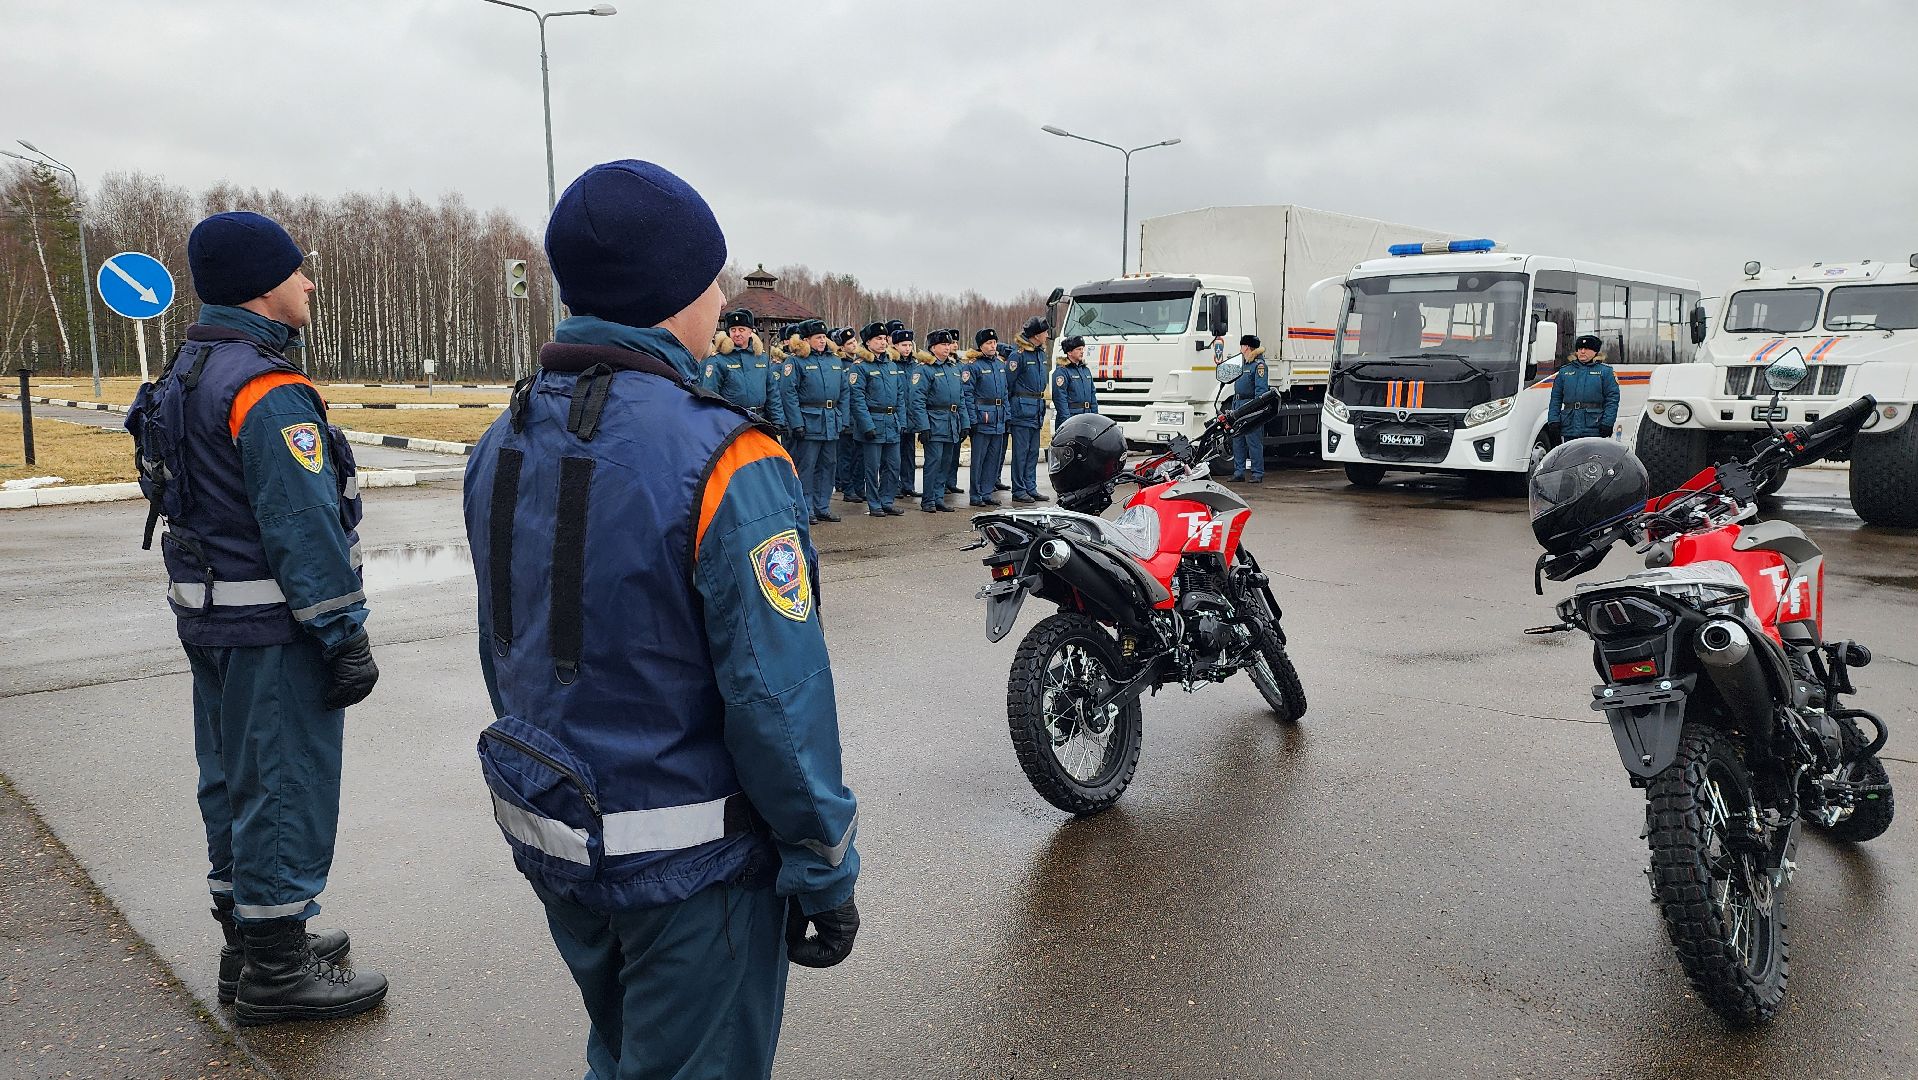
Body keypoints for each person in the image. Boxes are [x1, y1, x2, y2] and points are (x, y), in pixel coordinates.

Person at [462, 160, 860, 1080]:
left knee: (627, 1052)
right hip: (693, 868)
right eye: (711, 280)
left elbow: (510, 647)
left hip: (559, 833)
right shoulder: (724, 456)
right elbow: (779, 700)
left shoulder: (504, 437)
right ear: (673, 294)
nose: (723, 300)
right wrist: (824, 864)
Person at [123, 211, 385, 1026]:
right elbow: (303, 528)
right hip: (275, 629)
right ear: (265, 286)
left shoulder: (191, 368)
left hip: (210, 621)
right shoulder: (266, 392)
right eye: (299, 270)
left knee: (232, 780)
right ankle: (278, 969)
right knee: (281, 784)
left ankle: (254, 940)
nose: (309, 282)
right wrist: (344, 633)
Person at [781, 318, 853, 522]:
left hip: (831, 421)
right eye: (818, 337)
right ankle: (806, 508)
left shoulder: (834, 360)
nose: (822, 341)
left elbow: (844, 391)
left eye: (824, 337)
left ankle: (823, 506)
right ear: (806, 339)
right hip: (809, 421)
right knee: (807, 466)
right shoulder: (796, 361)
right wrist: (796, 423)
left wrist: (843, 418)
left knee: (828, 464)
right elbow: (789, 394)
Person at [850, 322, 908, 517]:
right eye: (878, 339)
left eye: (884, 339)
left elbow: (900, 396)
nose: (883, 343)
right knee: (872, 467)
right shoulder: (860, 367)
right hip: (873, 422)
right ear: (868, 342)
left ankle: (887, 500)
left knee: (893, 465)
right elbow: (857, 398)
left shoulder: (891, 365)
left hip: (891, 422)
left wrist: (901, 421)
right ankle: (874, 504)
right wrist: (867, 425)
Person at [909, 329, 970, 513]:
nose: (947, 347)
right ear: (933, 347)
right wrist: (923, 427)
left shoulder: (953, 369)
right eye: (943, 344)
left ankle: (938, 497)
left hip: (951, 422)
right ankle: (928, 500)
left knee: (946, 462)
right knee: (933, 463)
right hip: (934, 422)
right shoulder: (924, 369)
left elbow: (961, 399)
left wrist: (965, 423)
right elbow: (917, 400)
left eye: (948, 344)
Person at [703, 307, 785, 433]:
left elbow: (772, 391)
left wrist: (778, 420)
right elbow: (711, 394)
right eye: (733, 330)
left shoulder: (761, 358)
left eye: (741, 330)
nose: (737, 334)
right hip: (732, 423)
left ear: (750, 332)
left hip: (760, 421)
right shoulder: (719, 360)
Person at [1005, 315, 1052, 503]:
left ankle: (1030, 487)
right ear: (1036, 335)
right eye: (1044, 332)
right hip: (1021, 409)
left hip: (1036, 409)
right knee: (1021, 452)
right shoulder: (1018, 355)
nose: (1047, 335)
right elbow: (1008, 385)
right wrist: (1009, 412)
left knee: (1033, 451)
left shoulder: (1040, 353)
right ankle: (1019, 489)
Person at [962, 328, 1011, 506]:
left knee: (994, 458)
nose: (992, 346)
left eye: (994, 342)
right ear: (981, 345)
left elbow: (1004, 393)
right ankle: (976, 495)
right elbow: (967, 394)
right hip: (982, 419)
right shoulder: (973, 366)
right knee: (979, 459)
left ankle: (987, 492)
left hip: (998, 419)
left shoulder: (999, 365)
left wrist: (1007, 416)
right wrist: (972, 420)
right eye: (989, 343)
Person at [1547, 333, 1621, 441]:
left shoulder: (1605, 372)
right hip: (1569, 426)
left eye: (1586, 349)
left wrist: (1607, 423)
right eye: (1580, 348)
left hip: (1595, 427)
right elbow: (1555, 399)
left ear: (1595, 351)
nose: (1582, 351)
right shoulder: (1564, 372)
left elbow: (1612, 399)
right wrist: (1553, 421)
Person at [1228, 335, 1271, 483]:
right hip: (1238, 405)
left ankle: (1257, 473)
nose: (1240, 349)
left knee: (1253, 441)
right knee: (1237, 439)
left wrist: (1254, 410)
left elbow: (1261, 391)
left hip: (1250, 406)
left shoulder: (1259, 366)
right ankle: (1238, 472)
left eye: (1242, 346)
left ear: (1246, 347)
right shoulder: (1244, 364)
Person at [831, 328, 865, 503]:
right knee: (845, 456)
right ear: (842, 348)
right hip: (846, 416)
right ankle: (847, 488)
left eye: (854, 342)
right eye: (849, 343)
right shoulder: (839, 364)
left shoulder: (860, 363)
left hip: (859, 418)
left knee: (859, 456)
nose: (854, 345)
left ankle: (859, 487)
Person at [888, 325, 922, 498]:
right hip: (896, 416)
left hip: (911, 415)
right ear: (895, 346)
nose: (907, 349)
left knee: (909, 453)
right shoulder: (891, 364)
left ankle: (908, 484)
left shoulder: (915, 365)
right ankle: (894, 486)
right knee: (894, 456)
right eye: (903, 345)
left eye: (909, 345)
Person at [1052, 334, 1098, 419]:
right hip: (1072, 417)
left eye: (1082, 348)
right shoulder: (1062, 371)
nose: (1082, 351)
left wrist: (1095, 417)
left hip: (1087, 416)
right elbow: (1060, 399)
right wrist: (1067, 421)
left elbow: (1093, 395)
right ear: (1069, 352)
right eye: (1078, 349)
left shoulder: (1086, 370)